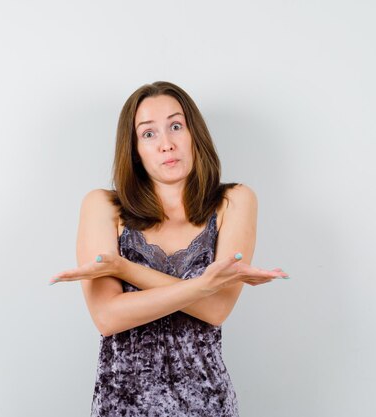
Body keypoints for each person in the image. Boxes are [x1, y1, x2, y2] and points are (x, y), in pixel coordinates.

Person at [50, 81, 289, 416]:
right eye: (149, 134)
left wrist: (124, 268)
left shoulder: (235, 201)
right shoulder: (102, 206)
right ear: (134, 149)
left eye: (176, 126)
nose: (166, 144)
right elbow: (108, 317)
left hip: (207, 403)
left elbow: (216, 309)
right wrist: (203, 286)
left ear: (194, 135)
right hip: (123, 404)